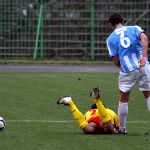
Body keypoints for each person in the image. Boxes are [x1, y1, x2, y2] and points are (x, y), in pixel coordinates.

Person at [106, 13, 150, 133]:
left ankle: (121, 128)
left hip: (127, 69)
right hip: (144, 65)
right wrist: (144, 57)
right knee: (148, 95)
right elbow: (145, 39)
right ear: (122, 21)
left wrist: (125, 67)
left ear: (111, 24)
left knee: (123, 98)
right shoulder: (134, 28)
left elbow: (116, 61)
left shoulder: (110, 39)